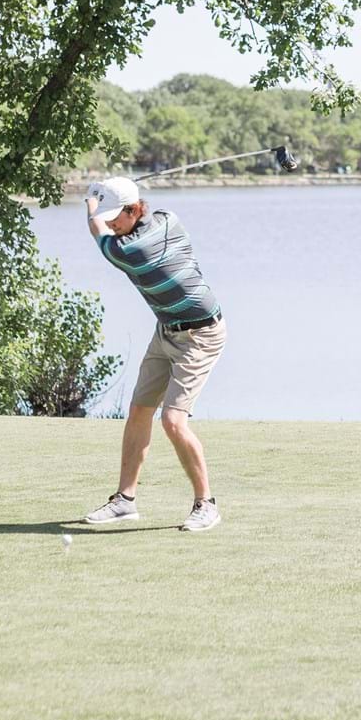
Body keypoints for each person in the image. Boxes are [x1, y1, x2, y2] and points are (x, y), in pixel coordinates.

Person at [82, 176, 225, 532]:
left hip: (201, 334)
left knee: (173, 421)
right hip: (166, 329)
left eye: (118, 216)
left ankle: (206, 504)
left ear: (134, 210)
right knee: (139, 410)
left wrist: (90, 202)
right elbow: (118, 220)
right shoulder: (167, 219)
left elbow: (96, 228)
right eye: (111, 217)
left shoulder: (130, 251)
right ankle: (124, 501)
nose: (113, 224)